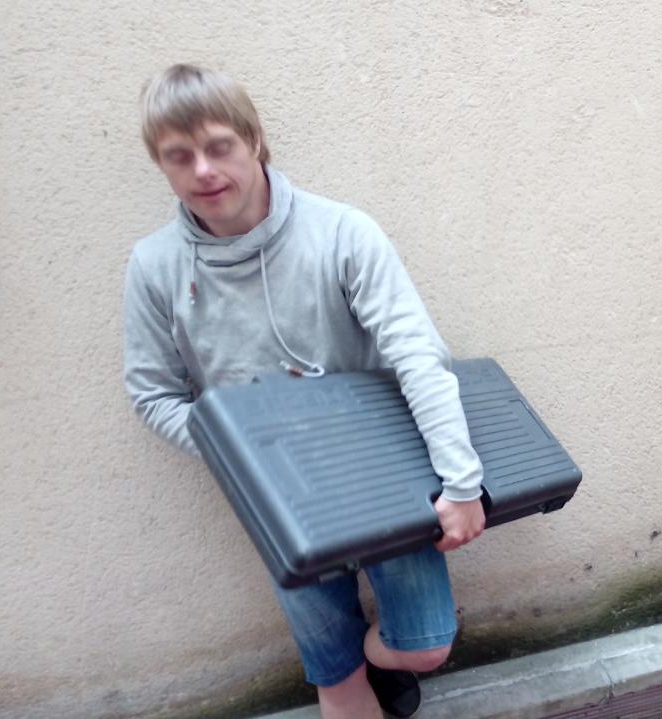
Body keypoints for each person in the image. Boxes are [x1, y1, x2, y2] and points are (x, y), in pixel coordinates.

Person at [123, 63, 485, 719]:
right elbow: (153, 395)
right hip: (279, 500)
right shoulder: (154, 266)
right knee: (336, 679)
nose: (203, 170)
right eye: (179, 156)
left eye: (219, 146)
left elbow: (417, 355)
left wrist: (461, 483)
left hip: (380, 475)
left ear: (254, 139)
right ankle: (349, 674)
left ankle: (378, 660)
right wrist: (243, 455)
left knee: (425, 646)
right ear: (161, 165)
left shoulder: (343, 232)